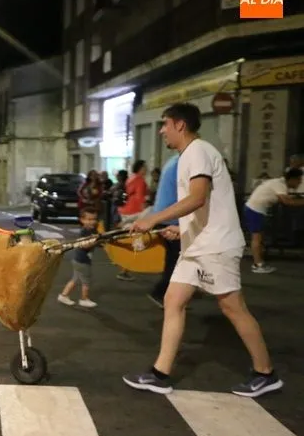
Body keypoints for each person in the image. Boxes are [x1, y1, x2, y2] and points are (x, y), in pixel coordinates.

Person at [126, 102, 279, 398]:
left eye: (165, 124)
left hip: (216, 246)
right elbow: (203, 206)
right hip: (196, 246)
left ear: (180, 125)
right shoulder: (189, 155)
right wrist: (180, 229)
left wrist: (153, 219)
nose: (161, 131)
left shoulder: (197, 151)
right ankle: (160, 373)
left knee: (232, 307)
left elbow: (197, 198)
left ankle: (266, 372)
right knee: (173, 301)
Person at [242, 167, 304, 274]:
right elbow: (286, 201)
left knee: (259, 238)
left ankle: (259, 263)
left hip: (255, 209)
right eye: (298, 180)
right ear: (292, 179)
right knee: (256, 238)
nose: (299, 183)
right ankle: (258, 265)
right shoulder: (280, 185)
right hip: (254, 210)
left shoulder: (280, 183)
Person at [146, 154, 181, 308]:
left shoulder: (173, 161)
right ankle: (161, 293)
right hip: (171, 218)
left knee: (175, 260)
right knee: (177, 261)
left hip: (164, 216)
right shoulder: (181, 162)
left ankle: (175, 295)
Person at [57, 207, 98, 308]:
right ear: (82, 220)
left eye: (94, 219)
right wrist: (95, 241)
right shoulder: (84, 232)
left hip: (79, 259)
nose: (92, 221)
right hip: (82, 260)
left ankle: (64, 295)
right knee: (86, 281)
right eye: (89, 219)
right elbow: (83, 245)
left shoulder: (93, 230)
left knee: (75, 278)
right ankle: (84, 299)